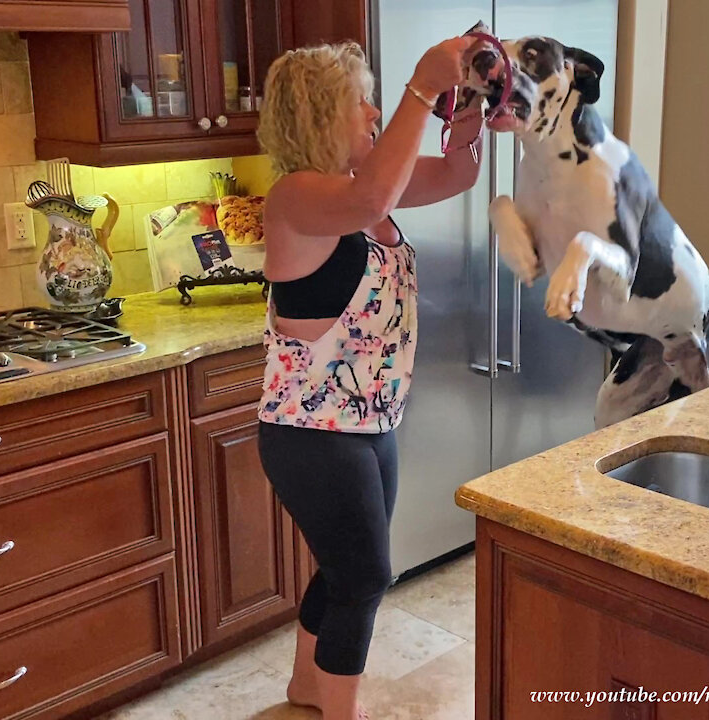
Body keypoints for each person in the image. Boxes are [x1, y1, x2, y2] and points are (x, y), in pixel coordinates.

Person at [254, 36, 485, 720]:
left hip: (369, 421)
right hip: (310, 433)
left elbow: (457, 176)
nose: (377, 112)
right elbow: (374, 193)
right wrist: (422, 84)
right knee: (365, 577)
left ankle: (306, 688)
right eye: (363, 102)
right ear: (324, 114)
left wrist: (467, 109)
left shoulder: (366, 196)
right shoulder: (298, 197)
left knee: (342, 567)